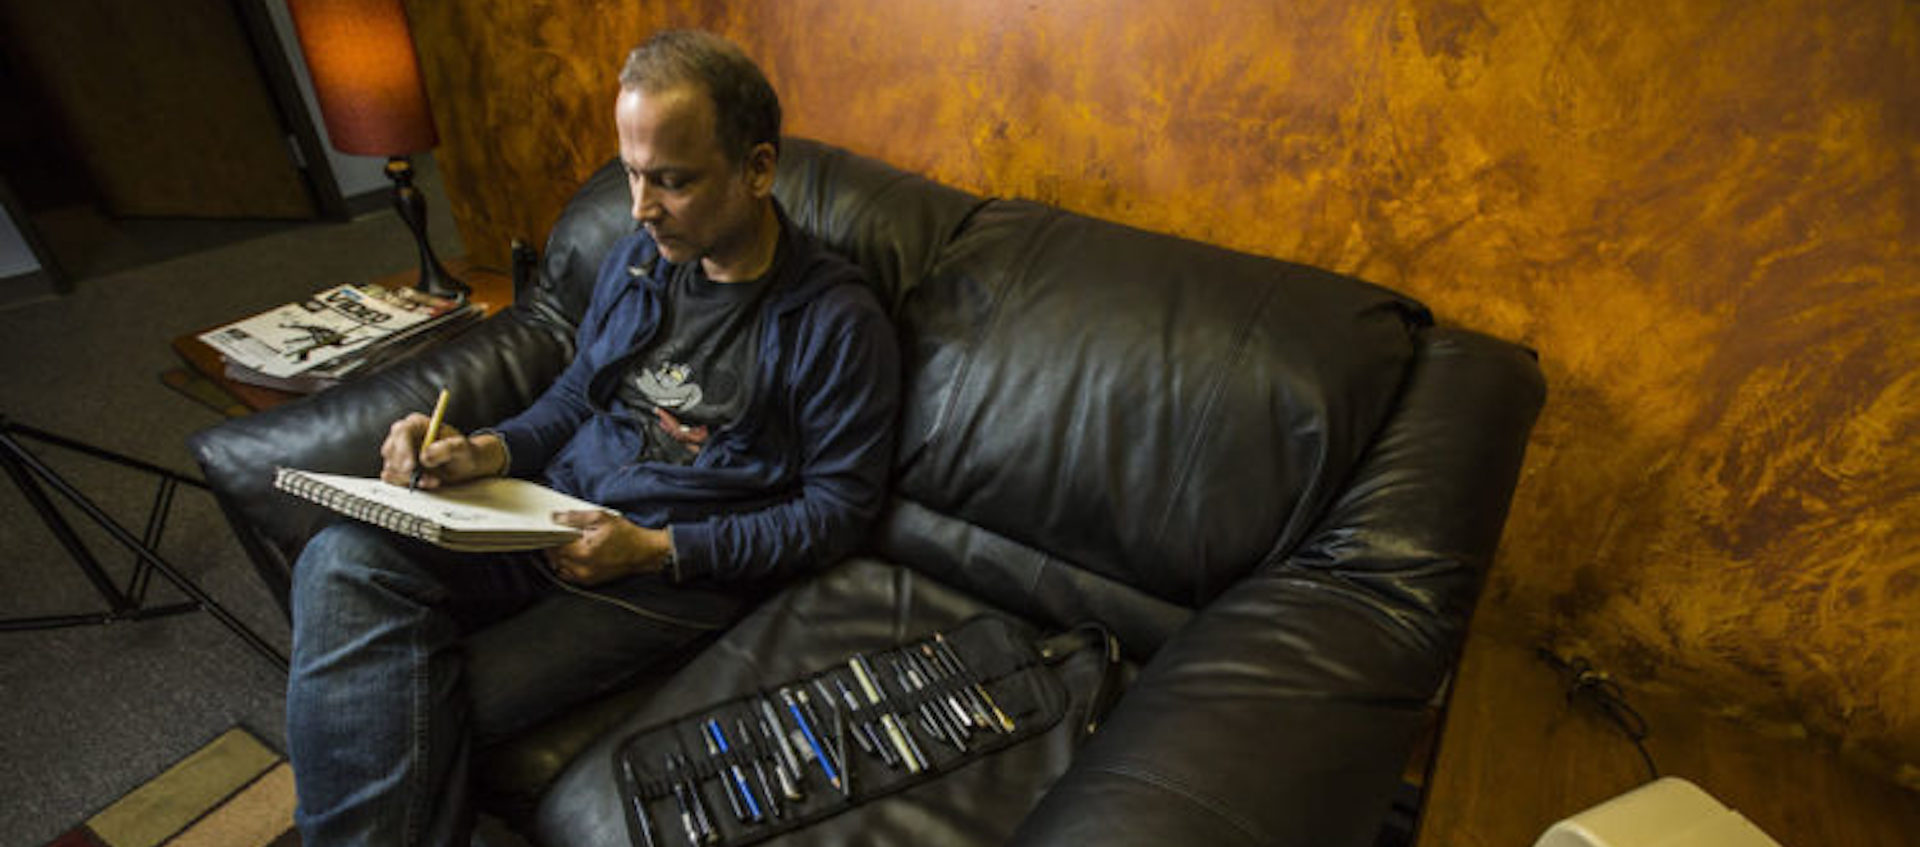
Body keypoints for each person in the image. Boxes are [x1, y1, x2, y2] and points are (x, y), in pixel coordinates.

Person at [283, 30, 900, 845]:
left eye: (673, 182)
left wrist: (651, 548)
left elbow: (836, 514)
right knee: (337, 555)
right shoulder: (639, 260)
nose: (641, 208)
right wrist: (490, 451)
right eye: (633, 174)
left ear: (757, 169)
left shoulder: (836, 323)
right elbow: (580, 390)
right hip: (548, 508)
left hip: (666, 574)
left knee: (427, 696)